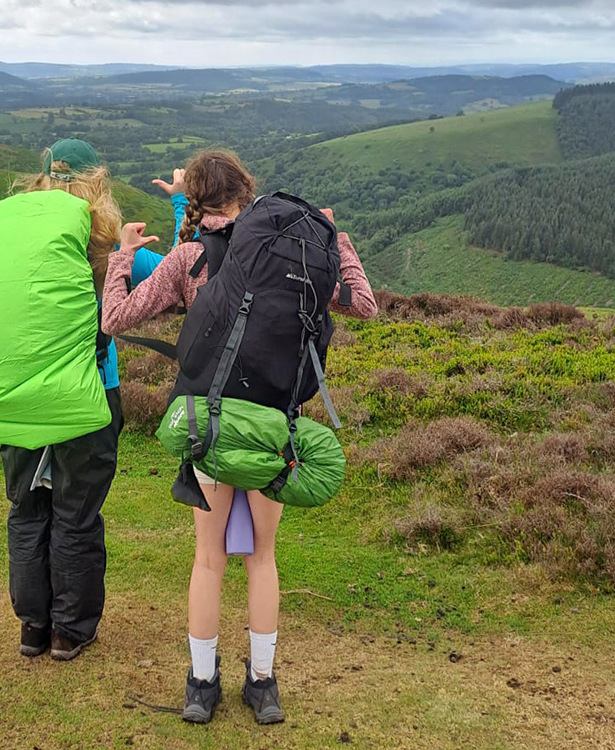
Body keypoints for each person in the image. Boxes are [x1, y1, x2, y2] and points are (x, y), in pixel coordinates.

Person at [101, 150, 377, 723]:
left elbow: (115, 319)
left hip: (211, 427)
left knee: (209, 560)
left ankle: (201, 687)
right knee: (262, 558)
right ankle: (263, 685)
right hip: (276, 429)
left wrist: (123, 255)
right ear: (248, 194)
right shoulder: (294, 257)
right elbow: (365, 305)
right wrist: (338, 240)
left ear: (196, 201)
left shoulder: (188, 259)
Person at [0, 139, 164, 662]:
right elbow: (183, 271)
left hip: (15, 394)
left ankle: (33, 626)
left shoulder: (7, 232)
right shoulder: (103, 239)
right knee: (76, 513)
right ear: (97, 182)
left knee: (27, 508)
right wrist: (179, 207)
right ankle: (70, 631)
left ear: (40, 178)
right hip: (87, 395)